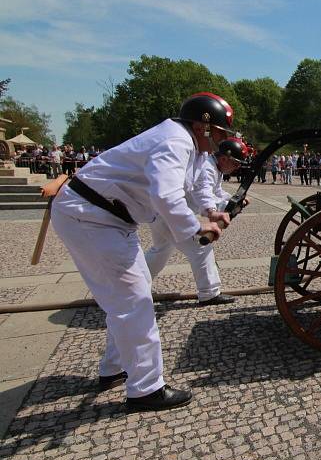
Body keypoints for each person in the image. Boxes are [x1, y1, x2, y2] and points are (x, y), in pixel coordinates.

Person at [50, 92, 235, 412]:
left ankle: (113, 368)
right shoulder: (176, 141)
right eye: (219, 132)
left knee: (124, 300)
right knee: (135, 301)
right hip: (93, 217)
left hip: (100, 217)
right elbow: (165, 195)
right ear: (201, 126)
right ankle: (146, 389)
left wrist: (210, 209)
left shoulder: (185, 143)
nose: (221, 140)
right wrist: (196, 229)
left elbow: (189, 186)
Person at [145, 137, 249, 308]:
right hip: (171, 216)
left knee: (160, 251)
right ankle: (209, 293)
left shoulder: (214, 167)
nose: (237, 168)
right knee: (201, 248)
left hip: (163, 214)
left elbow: (215, 191)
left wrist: (233, 200)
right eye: (236, 163)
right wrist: (215, 210)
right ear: (224, 158)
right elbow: (203, 194)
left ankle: (136, 285)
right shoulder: (208, 167)